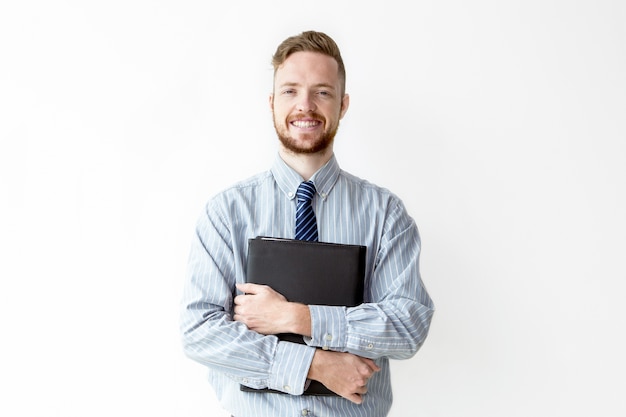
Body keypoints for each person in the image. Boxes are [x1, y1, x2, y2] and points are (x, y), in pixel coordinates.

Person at [180, 30, 434, 417]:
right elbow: (200, 333)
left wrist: (297, 317)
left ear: (343, 105)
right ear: (271, 103)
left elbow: (408, 324)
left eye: (322, 92)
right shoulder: (226, 213)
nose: (306, 105)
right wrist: (314, 365)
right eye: (290, 91)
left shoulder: (386, 214)